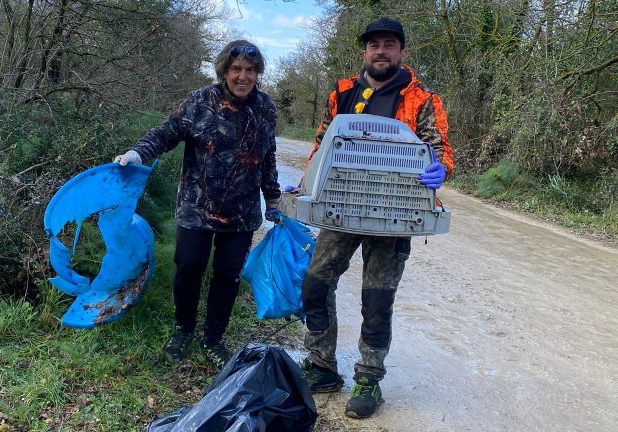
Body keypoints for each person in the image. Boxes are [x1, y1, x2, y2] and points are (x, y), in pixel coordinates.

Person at [299, 17, 455, 419]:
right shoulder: (342, 91)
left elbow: (440, 149)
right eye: (374, 45)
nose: (380, 51)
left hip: (395, 212)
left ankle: (369, 378)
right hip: (340, 205)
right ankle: (321, 367)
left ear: (402, 51)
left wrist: (440, 169)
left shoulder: (423, 98)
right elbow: (322, 142)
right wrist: (305, 184)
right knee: (316, 283)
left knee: (377, 298)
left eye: (389, 44)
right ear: (364, 51)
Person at [113, 40, 281, 369]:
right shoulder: (199, 101)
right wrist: (137, 153)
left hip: (242, 213)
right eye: (236, 69)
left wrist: (273, 198)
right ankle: (183, 330)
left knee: (228, 276)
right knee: (188, 269)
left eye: (250, 70)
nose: (243, 76)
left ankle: (214, 338)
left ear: (257, 73)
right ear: (224, 71)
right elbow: (165, 134)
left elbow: (268, 156)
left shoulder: (266, 108)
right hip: (196, 207)